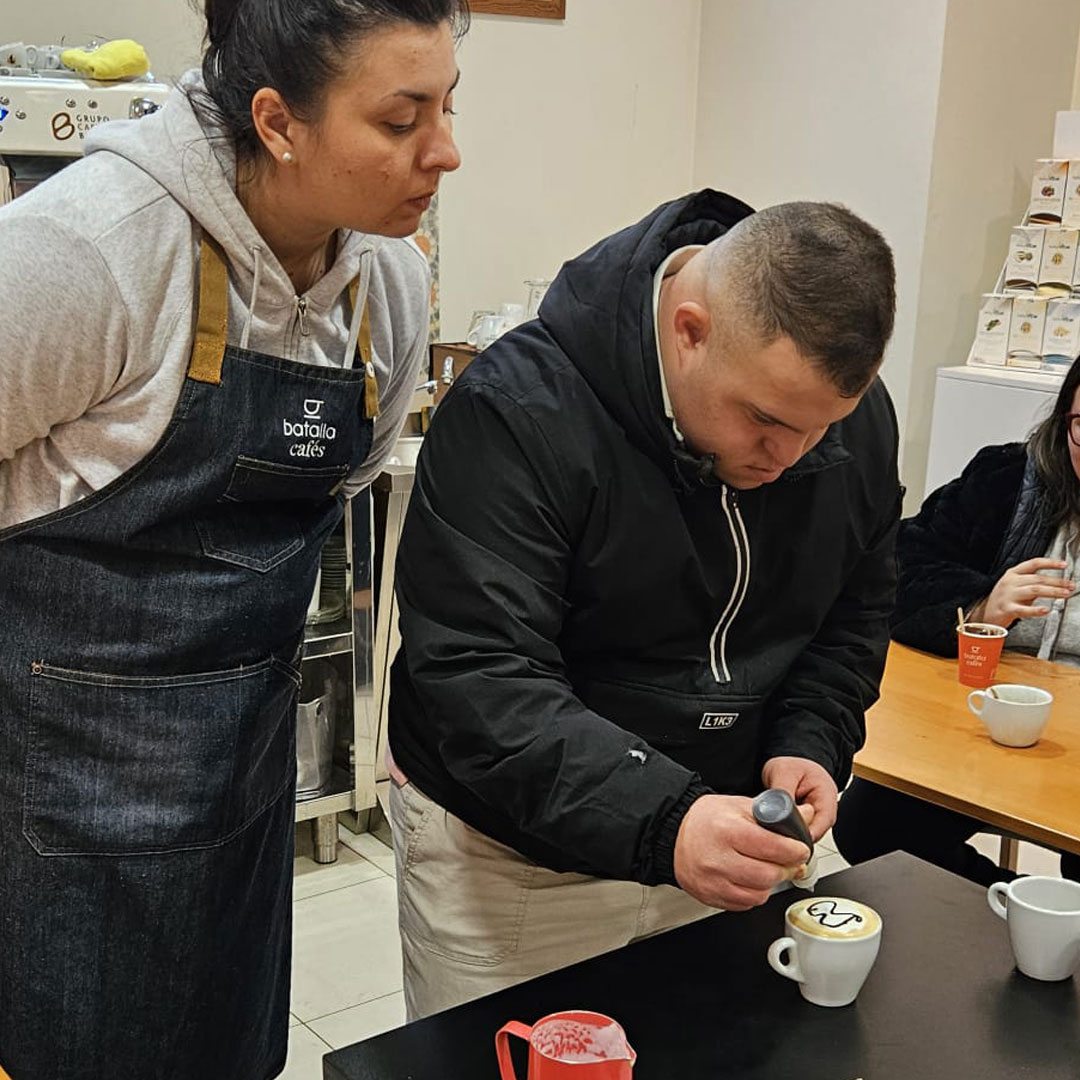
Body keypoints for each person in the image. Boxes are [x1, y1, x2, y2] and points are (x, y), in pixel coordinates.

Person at [0, 2, 464, 1077]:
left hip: (241, 791)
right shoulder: (85, 255)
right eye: (402, 120)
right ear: (277, 120)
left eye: (447, 107)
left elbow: (346, 476)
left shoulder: (384, 287)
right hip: (57, 822)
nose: (444, 150)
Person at [387, 191, 901, 1018]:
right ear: (688, 329)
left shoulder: (846, 421)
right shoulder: (517, 412)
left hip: (737, 838)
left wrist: (810, 738)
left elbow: (853, 616)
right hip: (522, 867)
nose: (793, 456)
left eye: (822, 428)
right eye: (766, 421)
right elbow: (483, 679)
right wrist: (667, 820)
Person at [833, 356, 1080, 886]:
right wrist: (981, 607)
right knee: (868, 825)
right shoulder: (1010, 479)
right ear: (1065, 422)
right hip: (986, 725)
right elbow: (899, 564)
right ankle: (1017, 909)